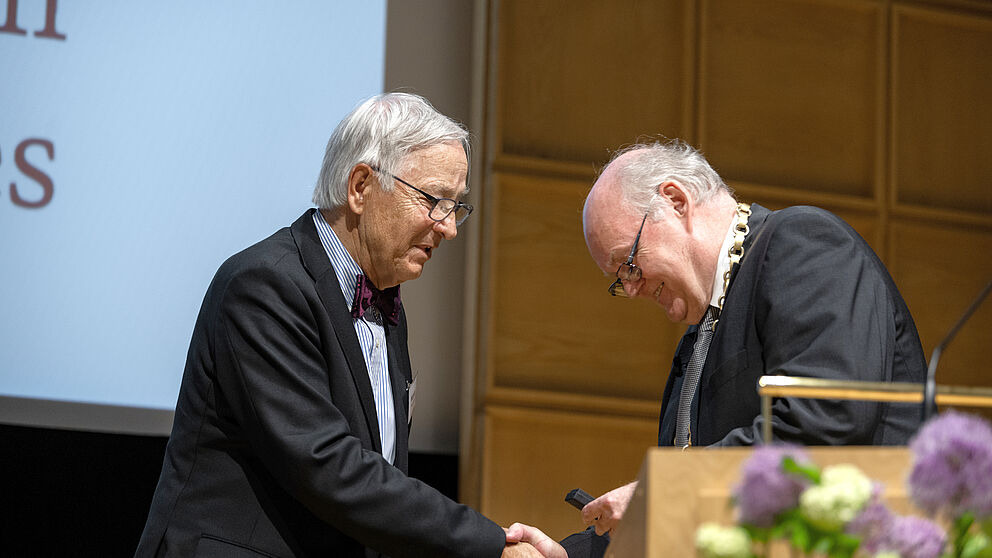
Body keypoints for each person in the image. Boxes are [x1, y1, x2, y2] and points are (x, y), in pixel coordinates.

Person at [135, 93, 553, 558]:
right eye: (436, 200)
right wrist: (490, 546)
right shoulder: (266, 285)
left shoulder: (388, 304)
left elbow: (382, 476)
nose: (449, 227)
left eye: (457, 207)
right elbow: (327, 464)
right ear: (360, 186)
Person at [547, 139, 928, 556]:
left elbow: (827, 421)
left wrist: (669, 488)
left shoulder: (802, 243)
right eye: (620, 278)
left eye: (630, 263)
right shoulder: (699, 334)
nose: (633, 289)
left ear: (675, 200)